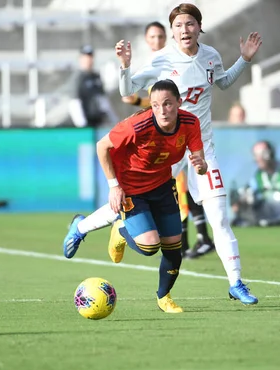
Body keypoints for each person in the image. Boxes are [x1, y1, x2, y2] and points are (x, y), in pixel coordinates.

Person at [64, 3, 261, 305]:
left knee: (219, 218)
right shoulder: (162, 59)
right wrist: (125, 66)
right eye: (179, 25)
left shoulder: (211, 56)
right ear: (172, 31)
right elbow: (127, 91)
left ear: (199, 27)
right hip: (164, 150)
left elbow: (222, 82)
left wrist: (244, 60)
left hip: (200, 148)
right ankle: (82, 227)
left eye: (190, 24)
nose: (185, 30)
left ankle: (236, 283)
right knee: (129, 202)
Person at [96, 79, 207, 313]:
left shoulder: (190, 122)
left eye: (167, 104)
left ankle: (164, 297)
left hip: (163, 185)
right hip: (132, 188)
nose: (162, 110)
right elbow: (101, 146)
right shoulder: (137, 125)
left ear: (179, 102)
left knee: (173, 249)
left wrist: (201, 166)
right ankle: (121, 230)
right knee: (149, 247)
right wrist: (114, 186)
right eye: (156, 105)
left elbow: (201, 164)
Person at [120, 20, 215, 259]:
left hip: (181, 134)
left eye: (160, 37)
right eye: (152, 38)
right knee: (169, 187)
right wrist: (143, 104)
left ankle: (193, 238)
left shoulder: (174, 60)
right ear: (146, 40)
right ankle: (183, 238)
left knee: (182, 187)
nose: (157, 41)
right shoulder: (156, 64)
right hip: (160, 136)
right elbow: (132, 97)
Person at [231, 141, 280, 227]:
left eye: (261, 154)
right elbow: (250, 191)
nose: (257, 159)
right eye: (255, 155)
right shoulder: (259, 175)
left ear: (270, 154)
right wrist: (240, 201)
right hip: (267, 214)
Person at [68, 45, 118, 127]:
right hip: (86, 123)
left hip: (98, 122)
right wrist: (83, 126)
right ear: (80, 58)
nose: (89, 60)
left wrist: (114, 120)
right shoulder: (78, 78)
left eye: (91, 57)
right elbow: (74, 103)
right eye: (86, 57)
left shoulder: (96, 77)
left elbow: (103, 100)